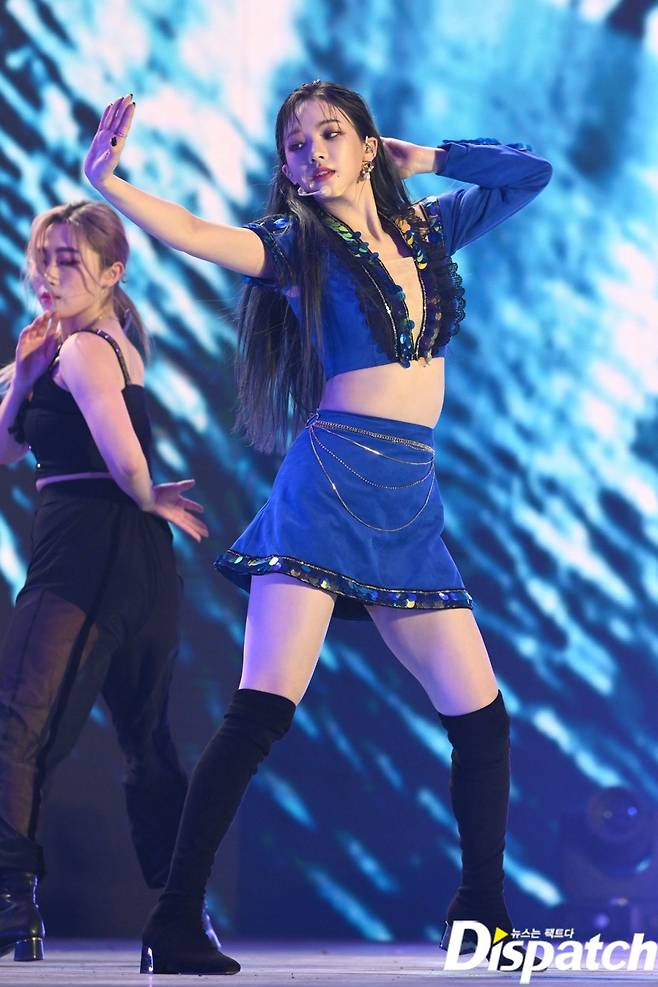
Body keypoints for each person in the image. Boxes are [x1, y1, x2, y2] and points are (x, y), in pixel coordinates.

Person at [84, 81, 552, 976]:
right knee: (262, 710)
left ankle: (482, 916)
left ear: (367, 146)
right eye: (295, 145)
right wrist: (110, 184)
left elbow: (531, 174)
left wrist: (429, 157)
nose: (313, 153)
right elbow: (196, 232)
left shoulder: (428, 229)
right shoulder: (298, 246)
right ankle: (174, 920)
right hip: (326, 488)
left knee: (483, 720)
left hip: (409, 498)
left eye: (331, 134)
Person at [0, 201, 212, 963]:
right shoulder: (68, 347)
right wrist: (24, 376)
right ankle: (182, 914)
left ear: (111, 272)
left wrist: (147, 492)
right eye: (44, 257)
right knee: (145, 739)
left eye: (69, 259)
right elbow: (3, 447)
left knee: (19, 725)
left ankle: (12, 902)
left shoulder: (88, 350)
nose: (50, 273)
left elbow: (125, 459)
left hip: (87, 552)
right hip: (135, 562)